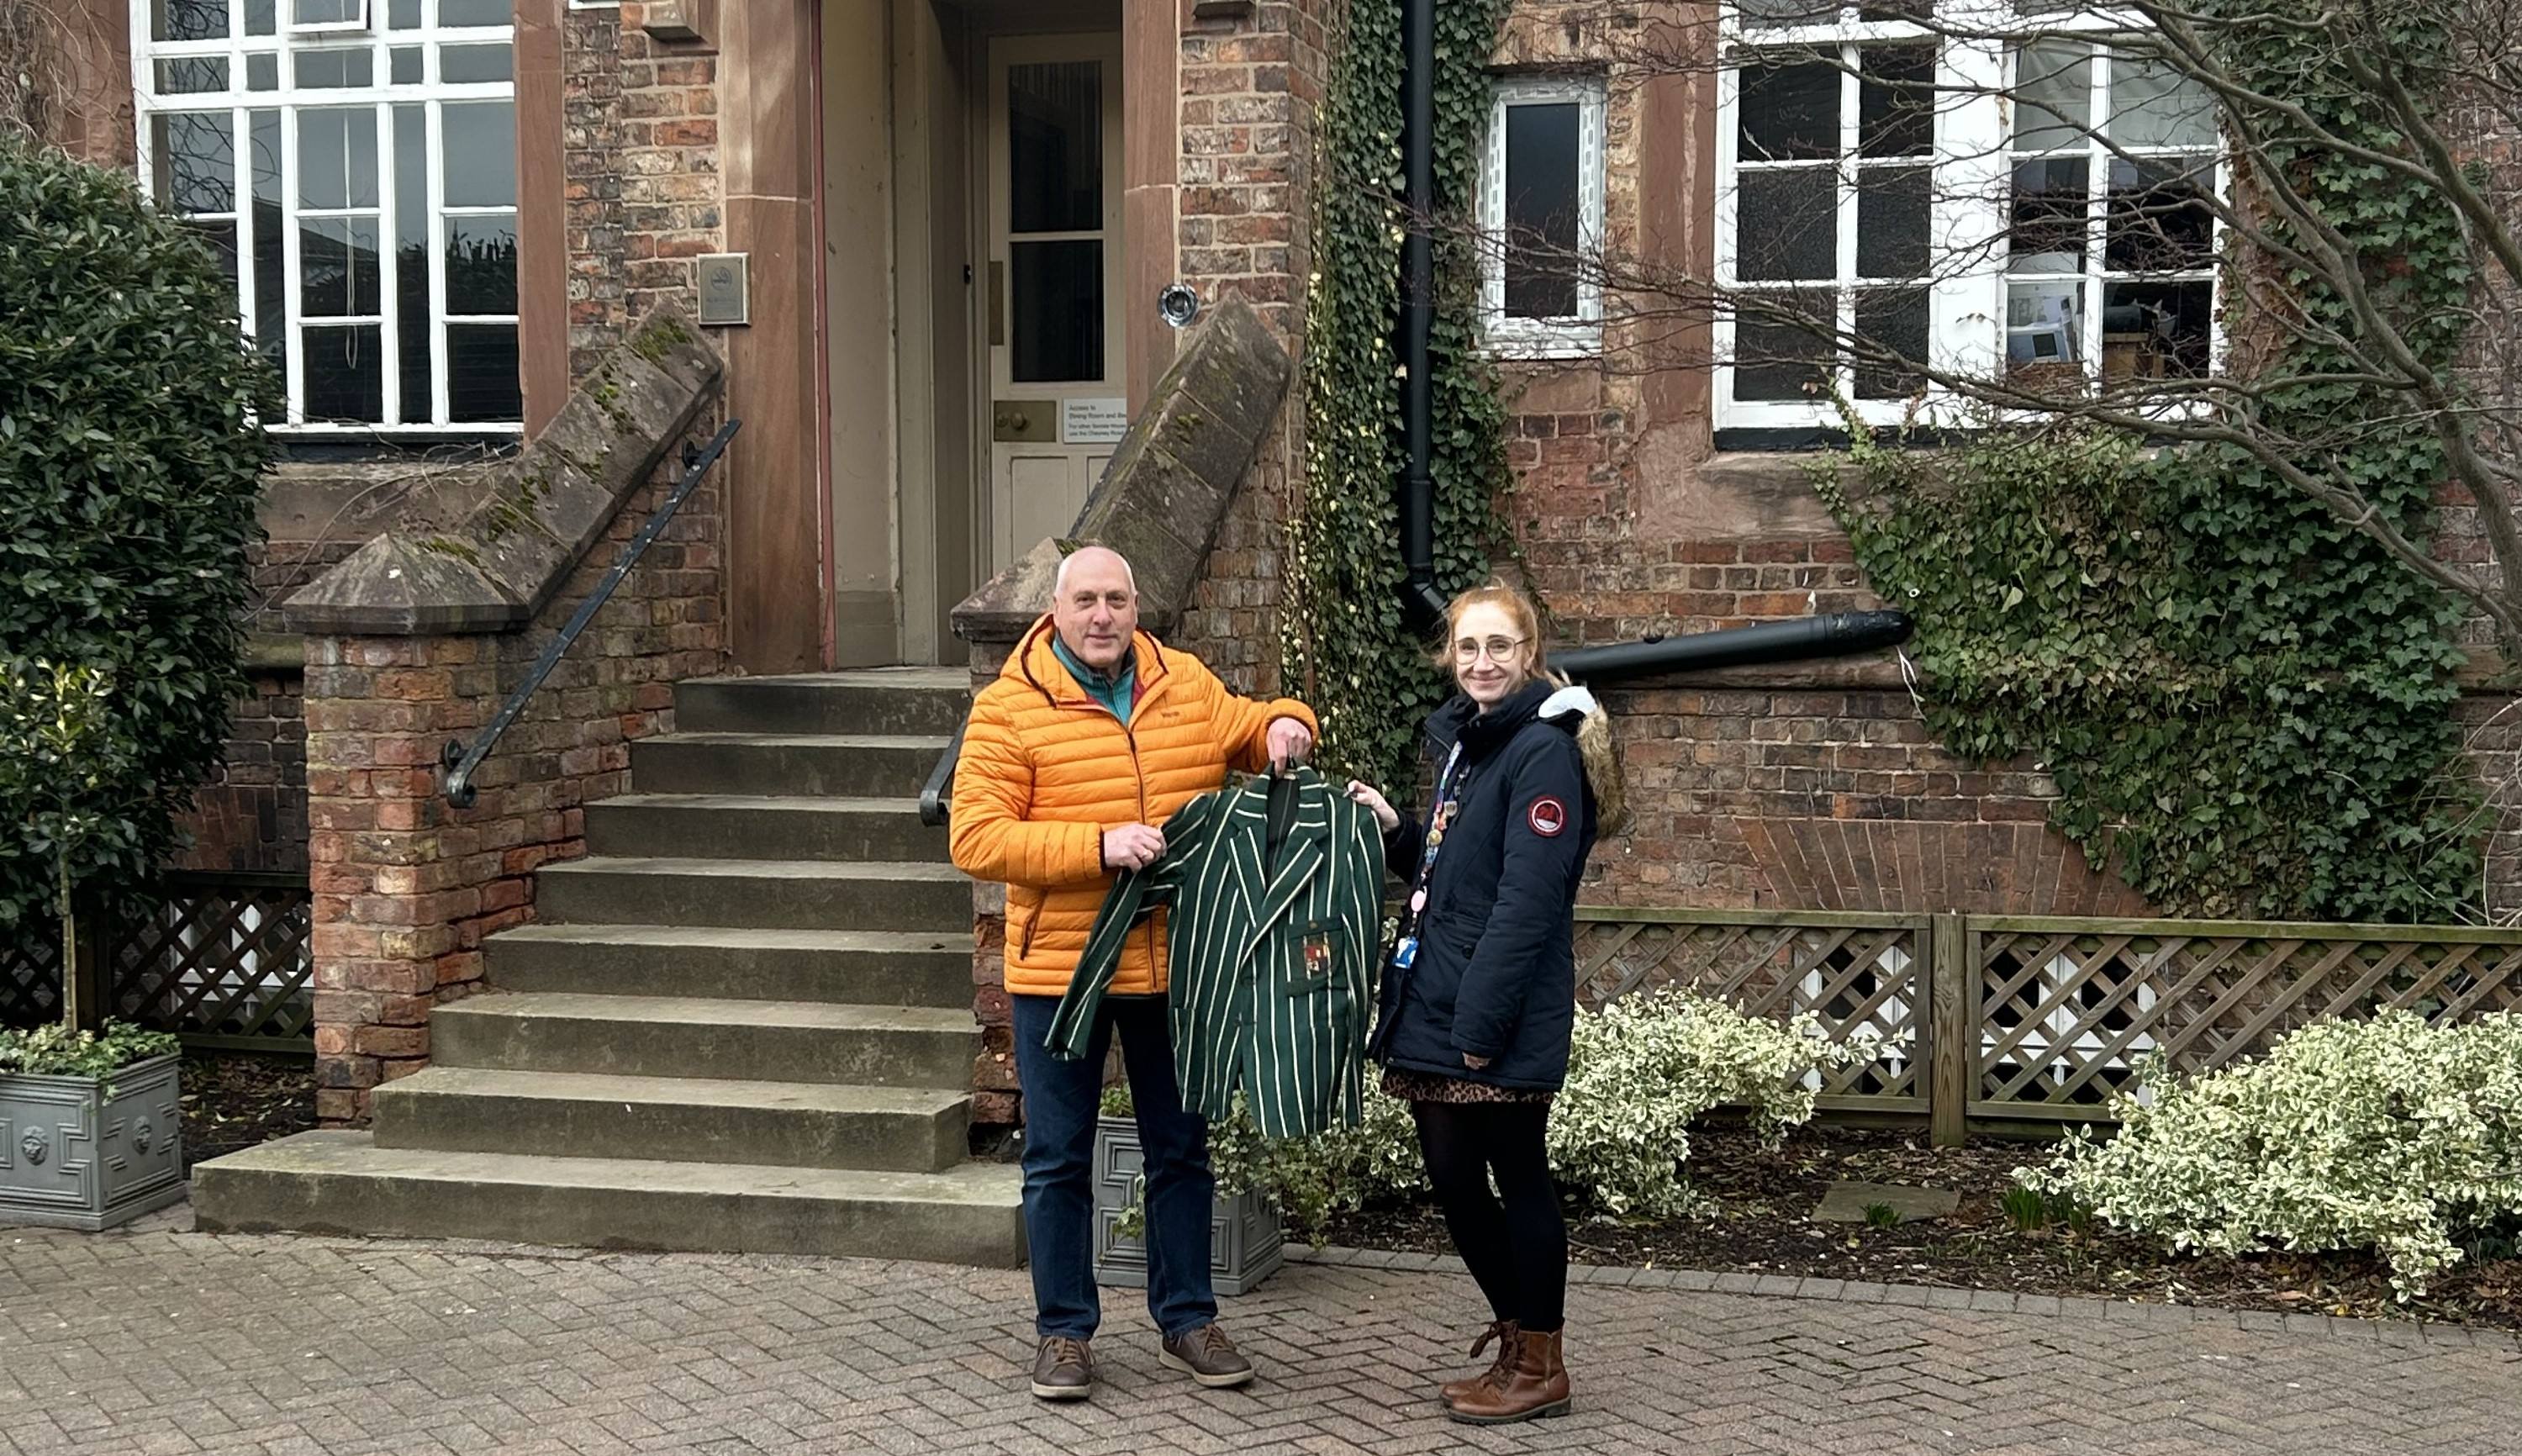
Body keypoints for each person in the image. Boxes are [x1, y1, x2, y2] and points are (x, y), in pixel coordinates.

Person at [949, 545, 1318, 1402]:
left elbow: (1254, 726)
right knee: (1056, 1159)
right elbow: (975, 837)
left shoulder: (1182, 680)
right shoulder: (1009, 707)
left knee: (1181, 1151)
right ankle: (1065, 1333)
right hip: (1059, 969)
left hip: (1176, 964)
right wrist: (1097, 846)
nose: (1103, 615)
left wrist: (1287, 725)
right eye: (1087, 600)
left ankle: (1187, 1320)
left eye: (1117, 597)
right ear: (1057, 607)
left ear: (1137, 602)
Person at [1344, 581, 1608, 1426]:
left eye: (1499, 646)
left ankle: (1541, 1361)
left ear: (1527, 653)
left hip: (1490, 1010)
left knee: (1516, 1173)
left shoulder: (1542, 751)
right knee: (1454, 1176)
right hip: (1441, 995)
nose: (1482, 661)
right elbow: (1456, 865)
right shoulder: (1472, 741)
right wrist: (1398, 832)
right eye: (1467, 647)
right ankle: (1515, 1331)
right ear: (1450, 658)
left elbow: (1527, 902)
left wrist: (1482, 1024)